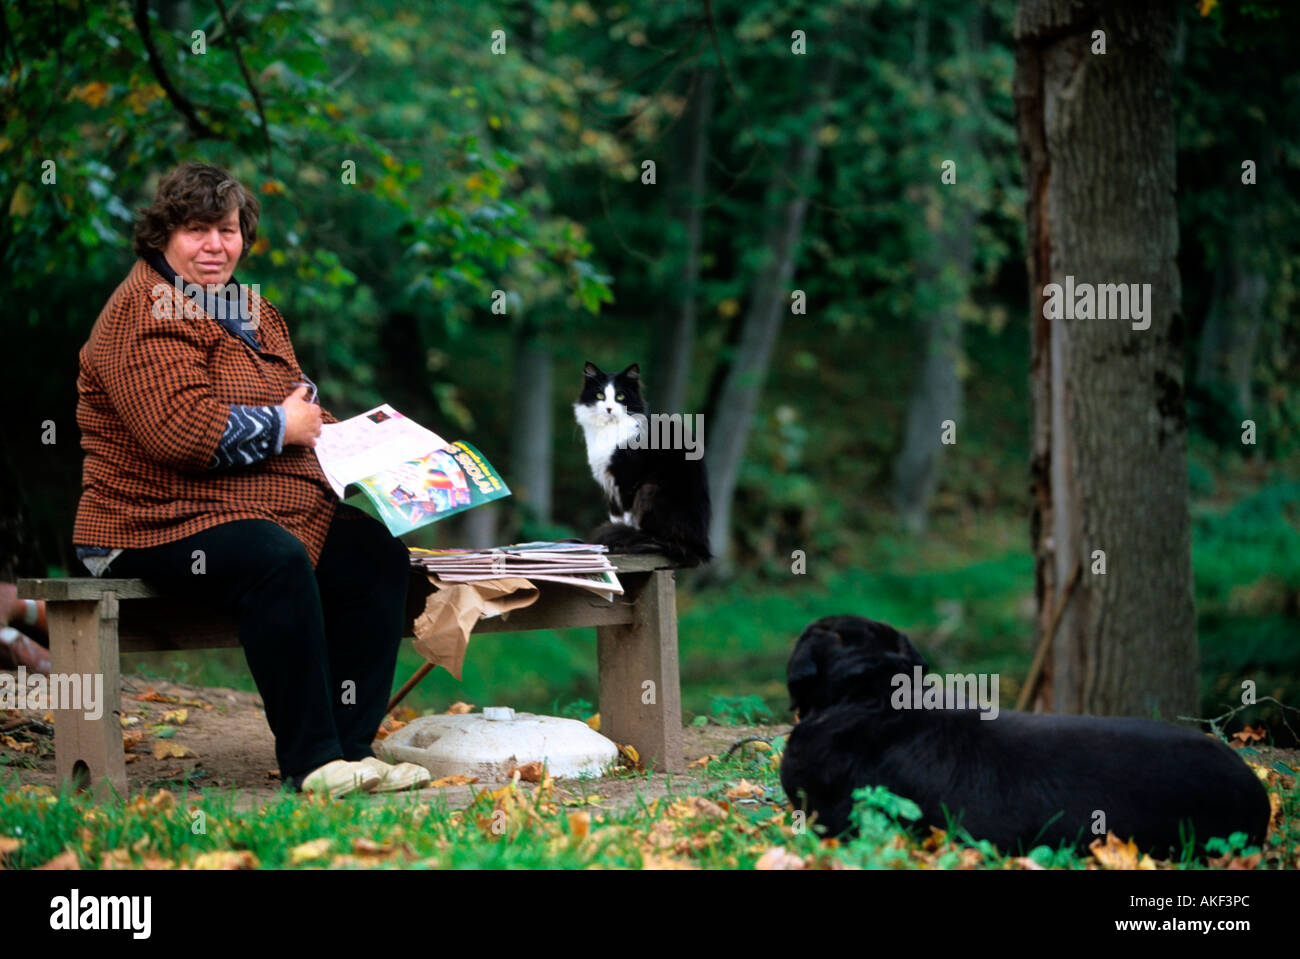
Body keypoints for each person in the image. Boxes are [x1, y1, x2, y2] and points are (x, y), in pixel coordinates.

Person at [72, 161, 429, 798]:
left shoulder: (248, 310)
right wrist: (282, 425)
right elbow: (179, 431)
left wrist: (372, 449)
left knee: (376, 556)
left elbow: (296, 403)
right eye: (197, 230)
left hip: (256, 508)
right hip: (149, 519)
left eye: (228, 230)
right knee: (274, 559)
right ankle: (313, 759)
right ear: (163, 238)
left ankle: (353, 750)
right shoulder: (138, 314)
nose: (216, 246)